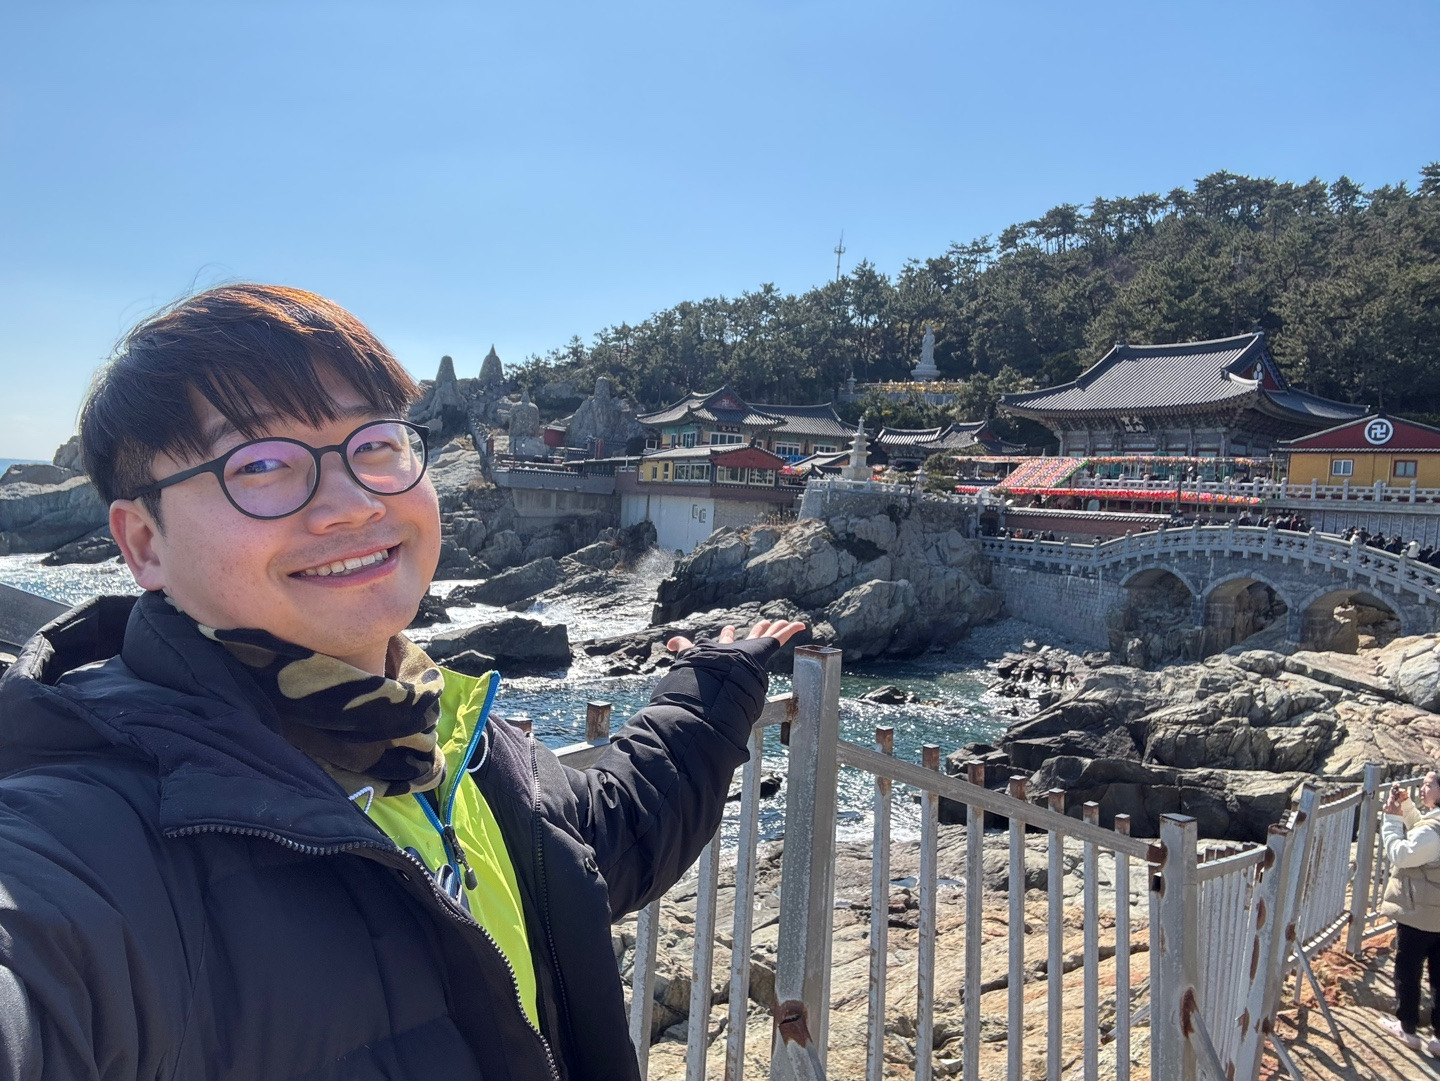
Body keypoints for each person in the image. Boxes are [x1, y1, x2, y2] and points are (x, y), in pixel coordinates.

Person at [0, 284, 805, 1080]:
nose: (351, 504)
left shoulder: (455, 743)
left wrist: (712, 686)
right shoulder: (97, 830)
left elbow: (602, 835)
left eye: (376, 444)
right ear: (144, 543)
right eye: (263, 463)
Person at [1378, 771, 1440, 1054]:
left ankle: (1408, 1029)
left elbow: (1403, 854)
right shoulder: (1433, 826)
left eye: (1428, 784)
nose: (1422, 788)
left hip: (1420, 914)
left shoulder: (1433, 831)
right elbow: (1424, 837)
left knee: (1408, 970)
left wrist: (1391, 821)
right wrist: (1407, 807)